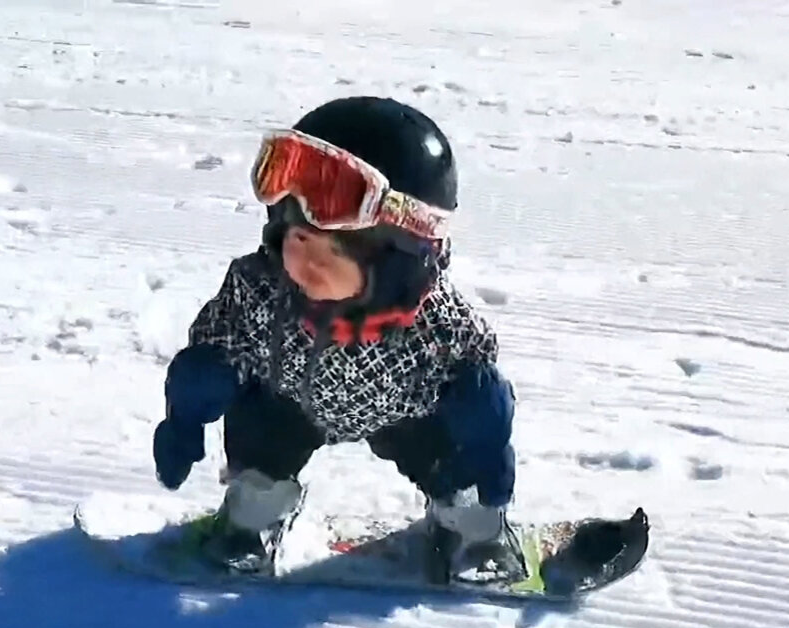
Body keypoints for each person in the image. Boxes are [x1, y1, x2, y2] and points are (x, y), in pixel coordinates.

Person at [151, 95, 527, 585]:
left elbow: (476, 374)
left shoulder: (434, 322)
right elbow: (220, 341)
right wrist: (191, 403)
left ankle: (470, 522)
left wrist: (487, 432)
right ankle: (253, 513)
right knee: (260, 430)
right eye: (297, 238)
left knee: (455, 439)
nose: (305, 262)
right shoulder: (260, 290)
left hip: (405, 412)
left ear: (397, 259)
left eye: (332, 250)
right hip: (290, 403)